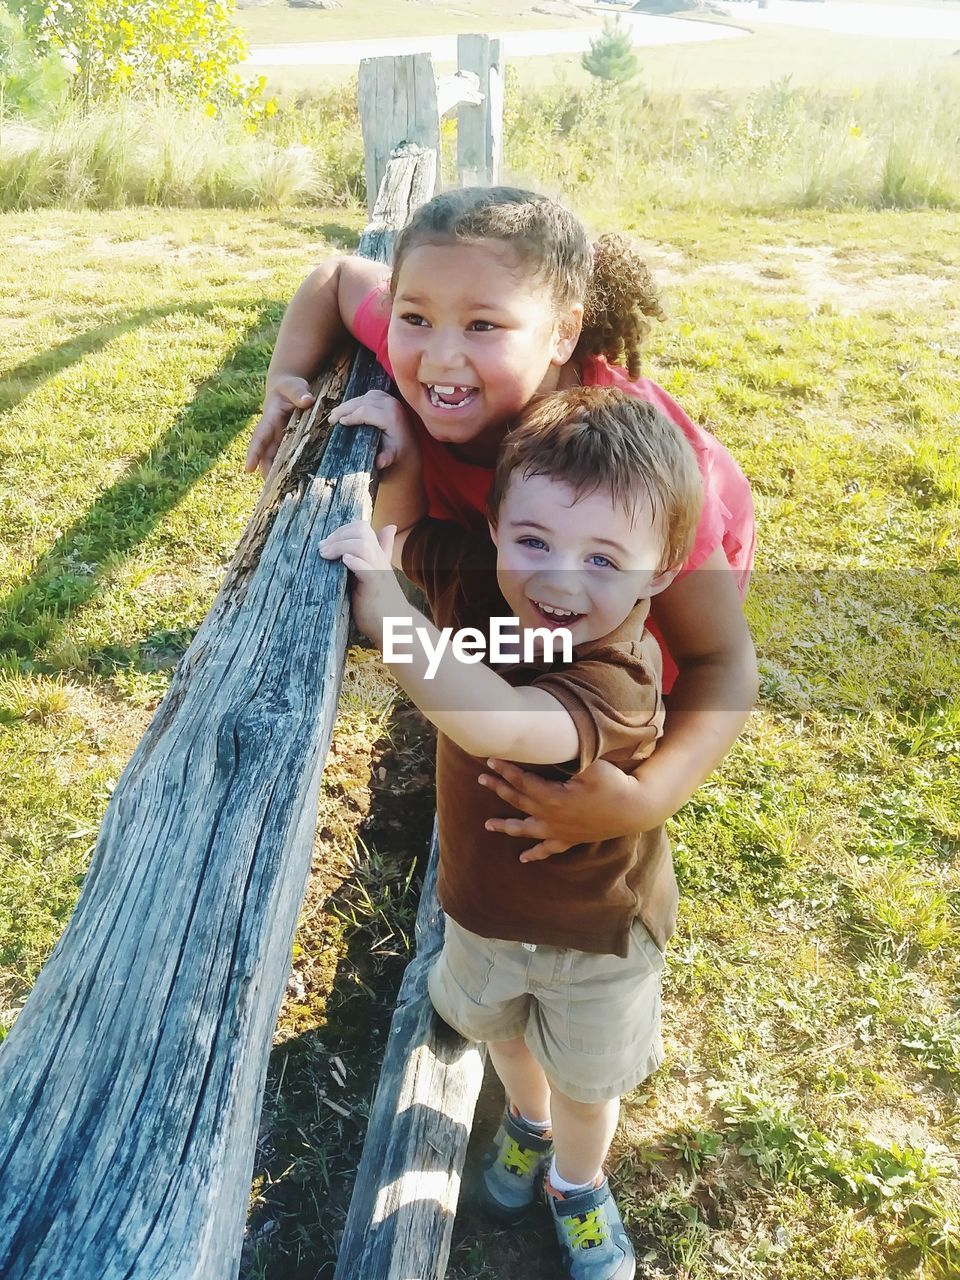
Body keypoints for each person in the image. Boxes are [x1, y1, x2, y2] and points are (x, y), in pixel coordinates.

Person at [245, 185, 757, 864]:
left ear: (562, 334)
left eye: (484, 327)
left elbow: (721, 661)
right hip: (535, 557)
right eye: (415, 317)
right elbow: (335, 279)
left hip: (652, 567)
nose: (440, 356)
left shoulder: (632, 490)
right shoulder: (447, 321)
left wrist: (645, 798)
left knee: (606, 700)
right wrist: (286, 379)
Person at [320, 386, 705, 1280]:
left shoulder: (617, 676)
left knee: (585, 1085)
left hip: (594, 936)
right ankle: (524, 1127)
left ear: (660, 572)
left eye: (605, 557)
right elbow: (403, 534)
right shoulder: (486, 581)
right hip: (483, 907)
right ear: (495, 527)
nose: (559, 579)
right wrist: (405, 452)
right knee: (503, 1034)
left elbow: (499, 722)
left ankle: (577, 1181)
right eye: (534, 539)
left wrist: (392, 623)